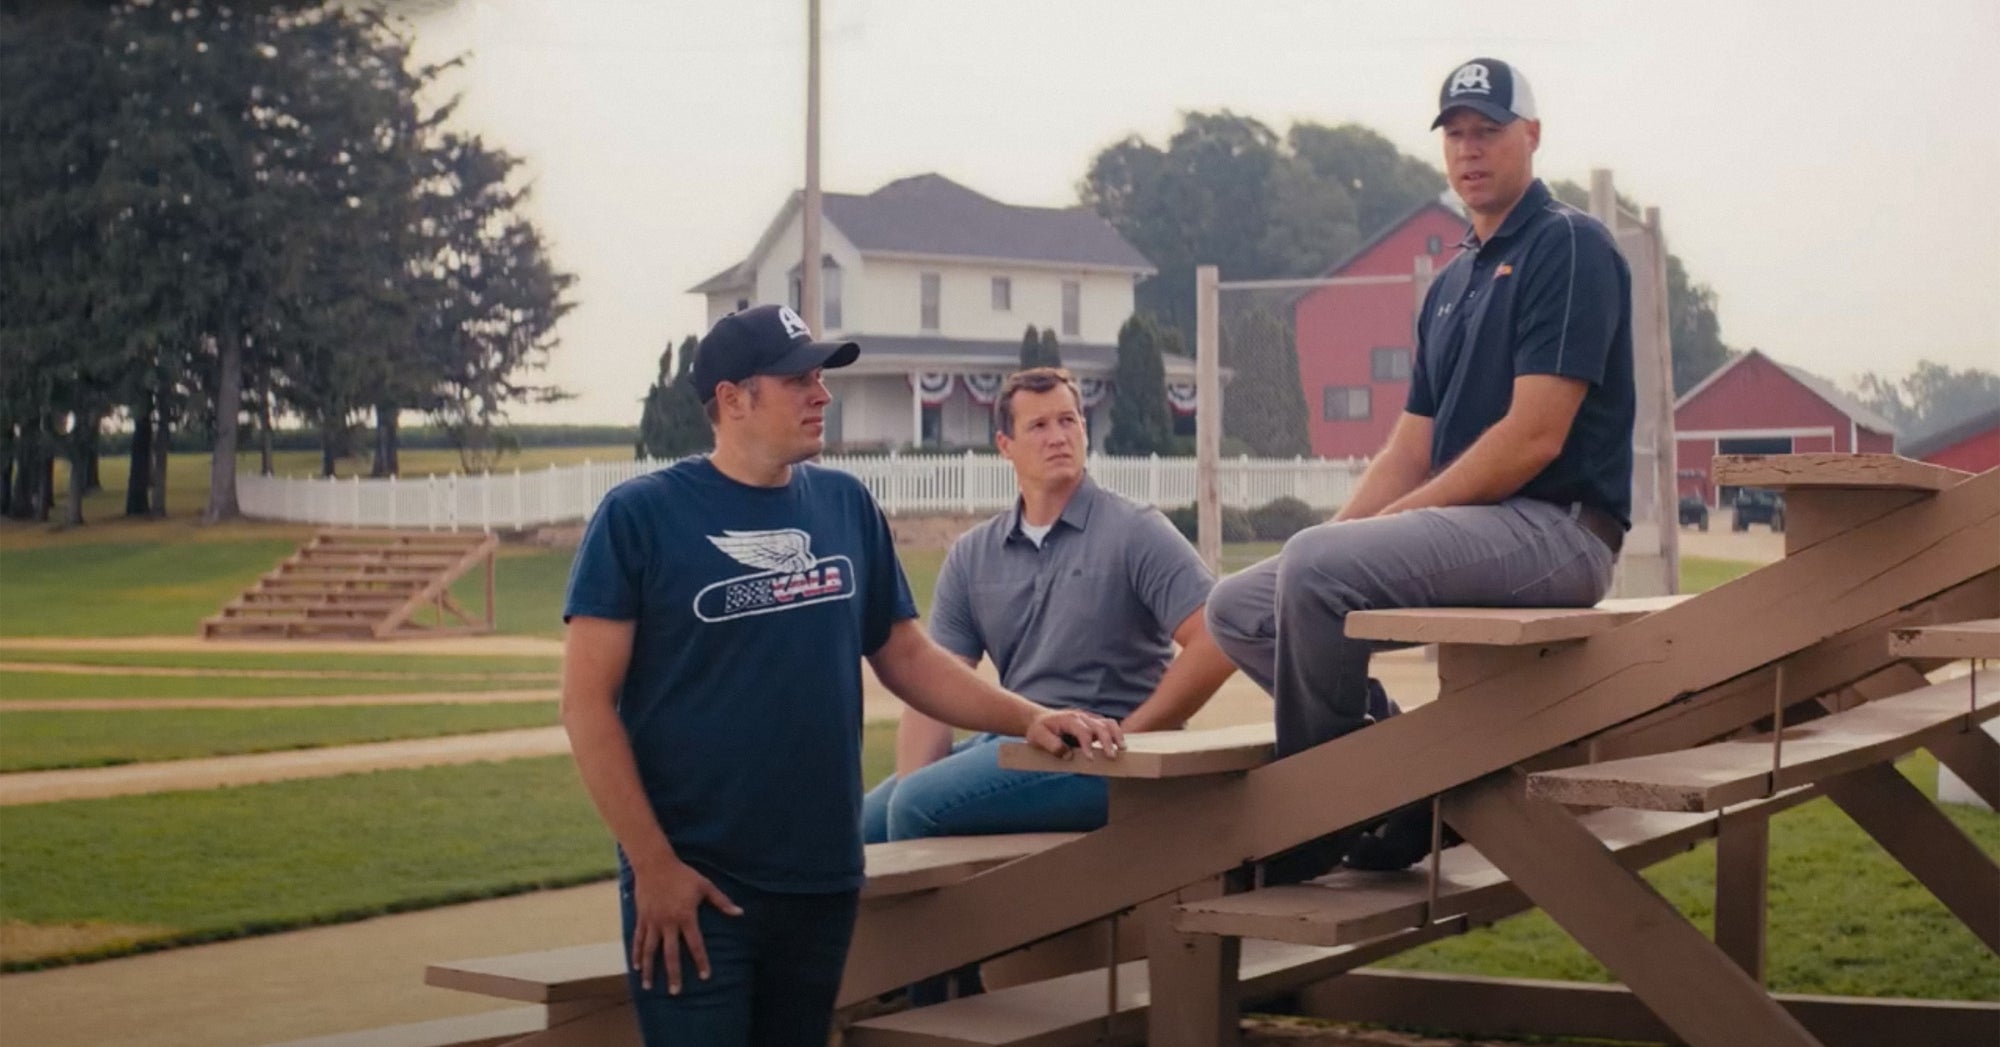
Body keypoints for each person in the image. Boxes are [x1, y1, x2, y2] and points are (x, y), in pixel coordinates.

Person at [561, 305, 1124, 1047]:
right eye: (799, 379)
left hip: (821, 879)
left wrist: (1026, 717)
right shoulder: (639, 517)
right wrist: (653, 865)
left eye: (822, 377)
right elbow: (587, 706)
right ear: (733, 399)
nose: (822, 394)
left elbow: (907, 655)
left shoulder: (844, 505)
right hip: (697, 884)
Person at [1206, 56, 1635, 878]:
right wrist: (1328, 541)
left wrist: (1366, 539)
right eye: (1457, 135)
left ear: (1532, 136)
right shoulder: (1451, 282)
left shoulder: (1570, 245)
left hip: (1560, 530)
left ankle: (1316, 816)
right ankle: (1400, 783)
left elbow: (1534, 439)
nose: (1470, 150)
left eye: (1490, 131)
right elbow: (1409, 446)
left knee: (1318, 569)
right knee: (1237, 607)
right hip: (1484, 530)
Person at [862, 367, 1238, 845]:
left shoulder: (1136, 531)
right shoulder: (974, 553)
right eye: (1038, 426)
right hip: (1019, 740)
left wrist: (1131, 732)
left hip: (1108, 757)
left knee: (917, 807)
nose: (1058, 437)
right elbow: (934, 688)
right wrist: (914, 782)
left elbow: (1217, 638)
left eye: (1069, 421)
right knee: (856, 830)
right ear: (1005, 445)